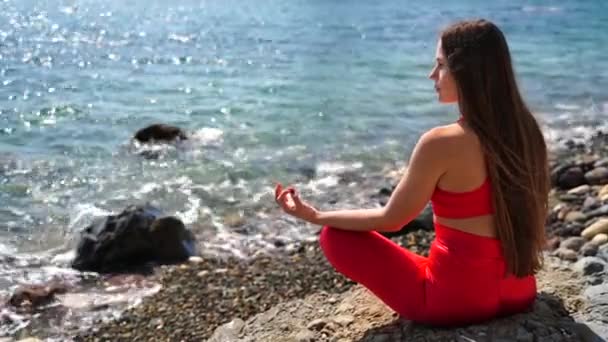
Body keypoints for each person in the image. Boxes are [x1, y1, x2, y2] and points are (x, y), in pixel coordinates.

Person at [274, 18, 549, 326]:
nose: (432, 75)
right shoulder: (528, 132)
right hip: (519, 290)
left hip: (456, 302)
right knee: (431, 261)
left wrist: (316, 216)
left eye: (440, 65)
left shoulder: (441, 142)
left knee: (334, 237)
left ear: (465, 72)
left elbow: (393, 219)